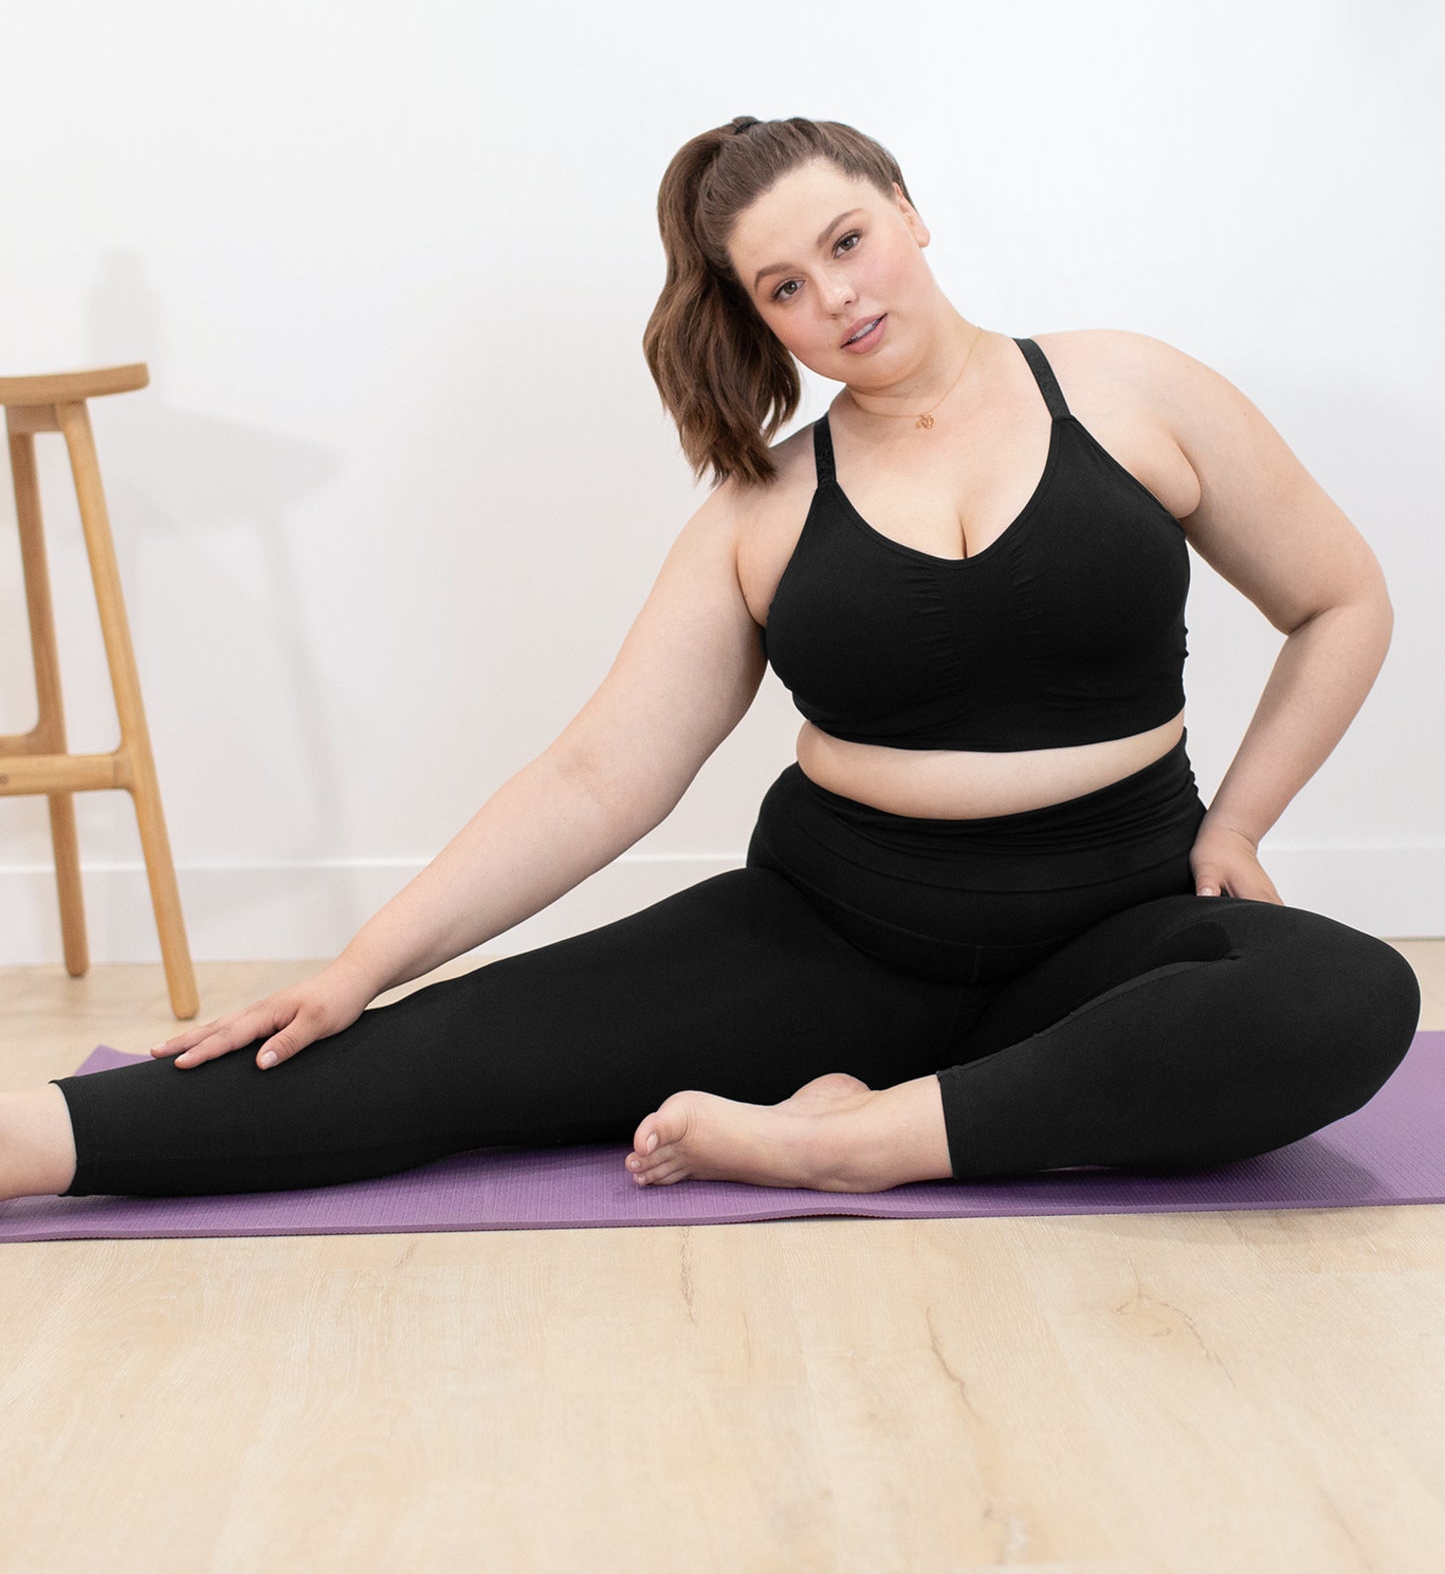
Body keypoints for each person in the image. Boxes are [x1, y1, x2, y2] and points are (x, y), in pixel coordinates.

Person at [0, 114, 1421, 1205]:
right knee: (434, 1056)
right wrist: (358, 962)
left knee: (1345, 997)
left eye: (850, 241)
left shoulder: (1131, 389)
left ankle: (859, 1135)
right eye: (786, 287)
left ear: (909, 212)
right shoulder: (764, 503)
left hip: (1118, 920)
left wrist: (1236, 821)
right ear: (760, 316)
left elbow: (1340, 597)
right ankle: (37, 1134)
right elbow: (600, 772)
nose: (838, 298)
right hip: (834, 937)